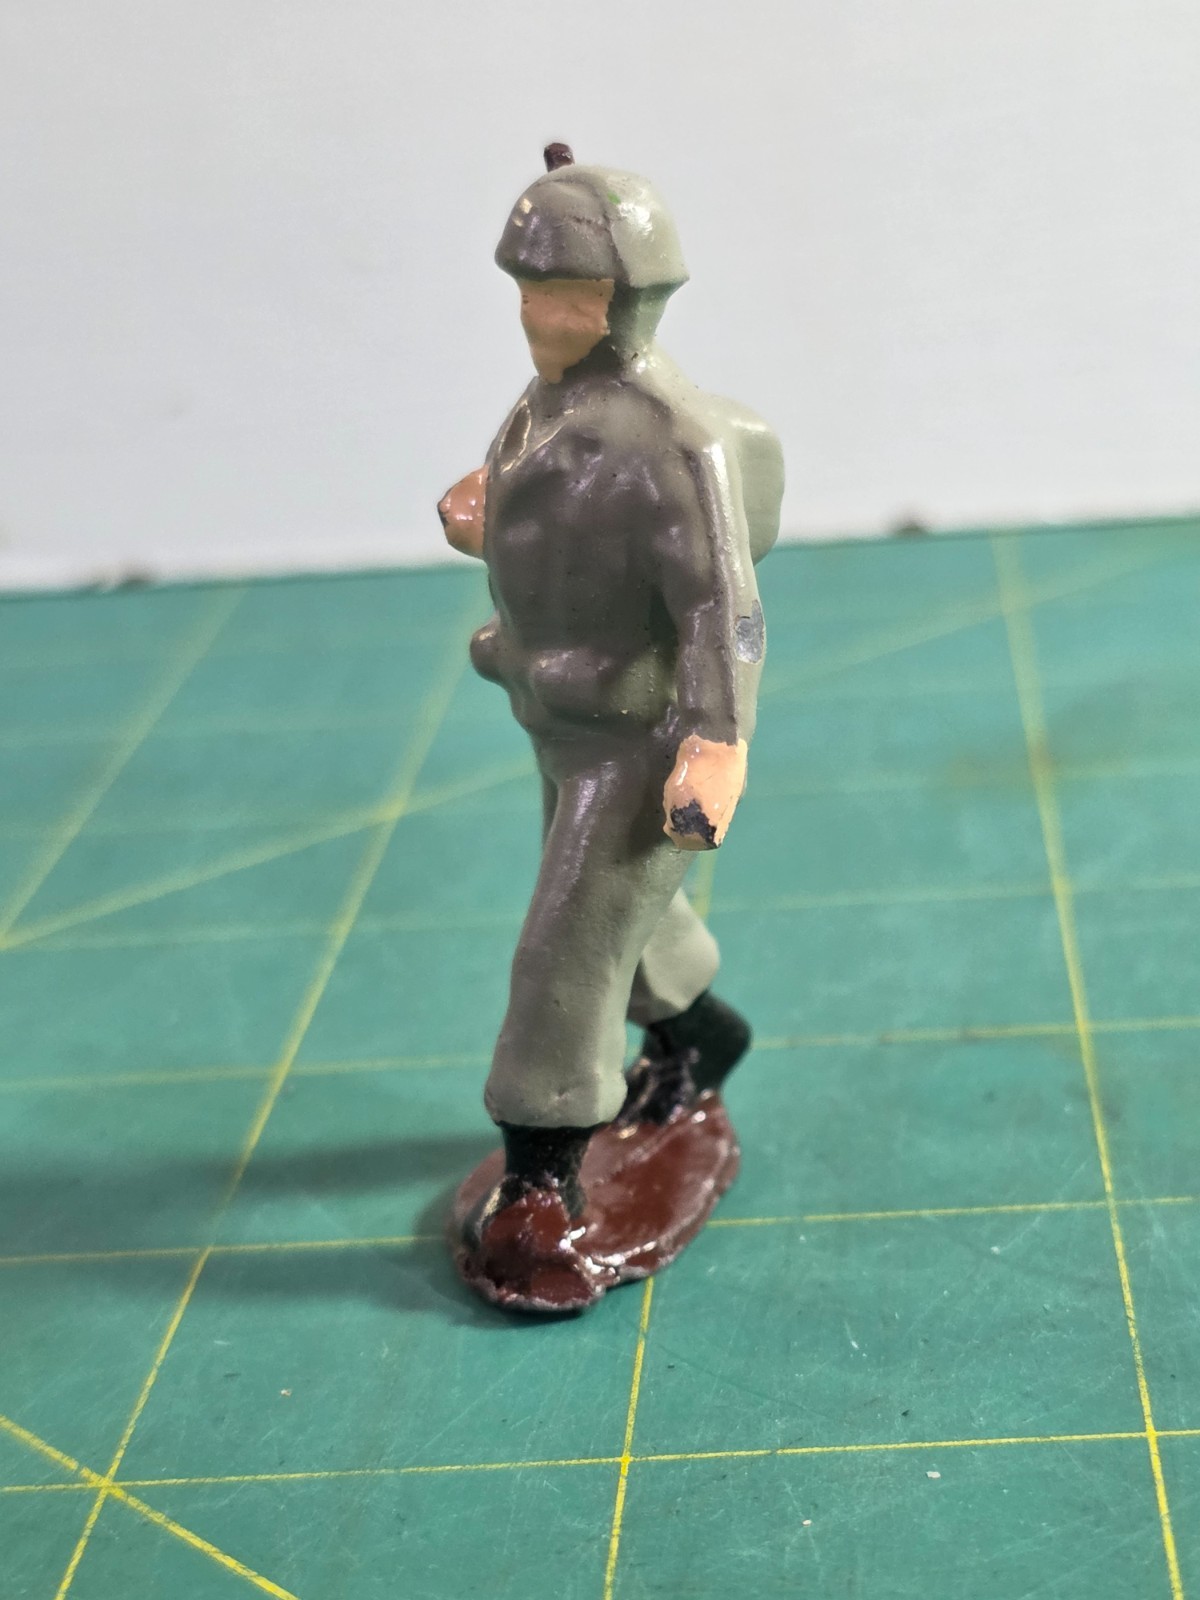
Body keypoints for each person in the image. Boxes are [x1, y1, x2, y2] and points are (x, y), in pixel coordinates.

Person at [438, 147, 782, 1302]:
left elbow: (721, 605)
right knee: (621, 905)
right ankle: (700, 1030)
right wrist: (488, 507)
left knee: (565, 945)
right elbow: (553, 497)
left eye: (568, 294)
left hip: (637, 740)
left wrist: (716, 741)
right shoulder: (546, 405)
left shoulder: (674, 439)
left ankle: (543, 1176)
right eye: (530, 292)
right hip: (558, 715)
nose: (541, 316)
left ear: (628, 300)